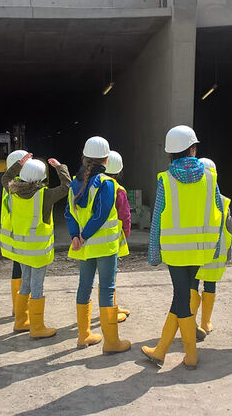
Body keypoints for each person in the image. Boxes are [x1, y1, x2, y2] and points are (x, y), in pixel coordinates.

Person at [142, 126, 224, 370]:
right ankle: (160, 351)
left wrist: (154, 254)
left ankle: (190, 355)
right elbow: (218, 213)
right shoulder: (211, 177)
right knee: (183, 296)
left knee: (181, 298)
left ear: (169, 154)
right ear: (193, 149)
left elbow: (156, 220)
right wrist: (215, 248)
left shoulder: (165, 180)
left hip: (176, 252)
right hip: (200, 250)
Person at [65, 136, 131, 354]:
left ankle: (83, 335)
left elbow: (69, 213)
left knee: (84, 287)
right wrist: (85, 235)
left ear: (85, 158)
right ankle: (111, 342)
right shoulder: (107, 183)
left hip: (83, 247)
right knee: (107, 289)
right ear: (106, 160)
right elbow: (102, 213)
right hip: (104, 247)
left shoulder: (74, 183)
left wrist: (76, 236)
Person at [3, 153, 71, 338]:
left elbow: (6, 178)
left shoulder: (13, 191)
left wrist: (19, 164)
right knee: (37, 286)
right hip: (38, 252)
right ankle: (37, 327)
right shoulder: (45, 196)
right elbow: (67, 187)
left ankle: (20, 321)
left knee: (25, 283)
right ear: (42, 178)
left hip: (22, 251)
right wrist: (60, 167)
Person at [189, 158, 232, 341]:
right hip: (215, 255)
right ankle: (206, 322)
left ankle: (190, 322)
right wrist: (228, 254)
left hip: (194, 253)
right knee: (210, 285)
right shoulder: (223, 201)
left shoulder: (191, 199)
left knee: (192, 285)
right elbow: (229, 229)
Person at [104, 150, 132, 323]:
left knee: (102, 278)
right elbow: (125, 215)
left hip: (92, 239)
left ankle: (112, 305)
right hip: (112, 239)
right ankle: (110, 310)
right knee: (111, 276)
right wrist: (125, 234)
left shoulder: (93, 185)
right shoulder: (118, 190)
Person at [1, 149, 28, 321]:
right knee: (24, 271)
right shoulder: (20, 186)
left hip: (11, 232)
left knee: (16, 268)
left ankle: (16, 307)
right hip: (21, 232)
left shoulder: (9, 185)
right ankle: (21, 309)